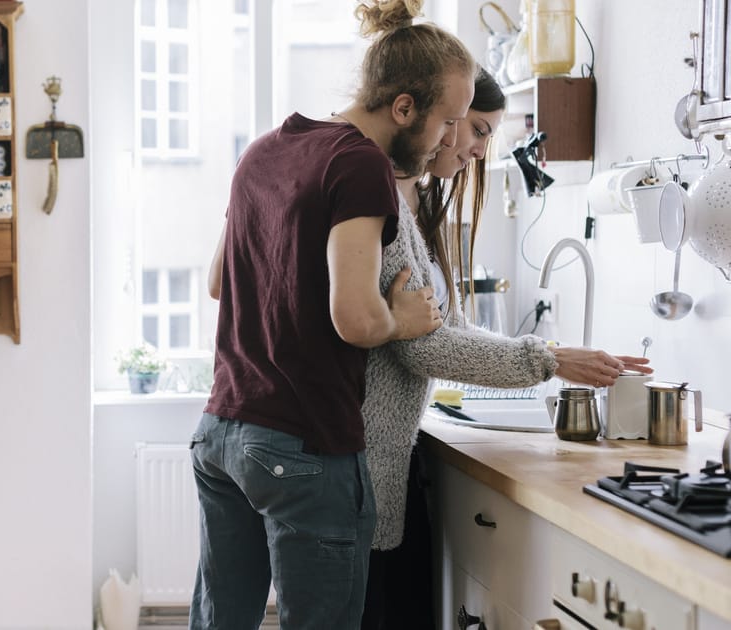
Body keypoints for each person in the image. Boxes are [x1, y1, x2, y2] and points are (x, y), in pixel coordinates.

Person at [191, 1, 475, 627]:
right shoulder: (360, 164)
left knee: (221, 620)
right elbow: (357, 320)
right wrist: (406, 318)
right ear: (403, 108)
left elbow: (217, 282)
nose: (448, 141)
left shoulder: (266, 148)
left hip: (222, 430)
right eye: (446, 122)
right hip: (305, 442)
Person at [357, 67, 652, 630]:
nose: (473, 147)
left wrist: (552, 353)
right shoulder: (383, 196)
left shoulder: (419, 203)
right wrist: (549, 359)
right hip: (367, 463)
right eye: (474, 127)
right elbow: (424, 348)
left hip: (390, 459)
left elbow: (454, 329)